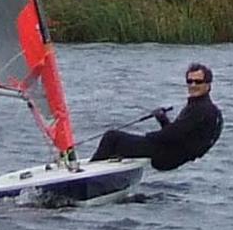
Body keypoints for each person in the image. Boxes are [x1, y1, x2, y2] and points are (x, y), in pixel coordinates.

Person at [90, 62, 223, 172]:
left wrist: (148, 136)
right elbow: (180, 133)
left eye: (198, 82)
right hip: (171, 151)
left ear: (208, 85)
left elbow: (173, 134)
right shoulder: (205, 108)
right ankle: (103, 170)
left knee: (112, 137)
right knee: (118, 142)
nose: (193, 85)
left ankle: (91, 173)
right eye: (190, 81)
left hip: (167, 154)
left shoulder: (201, 109)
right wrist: (162, 119)